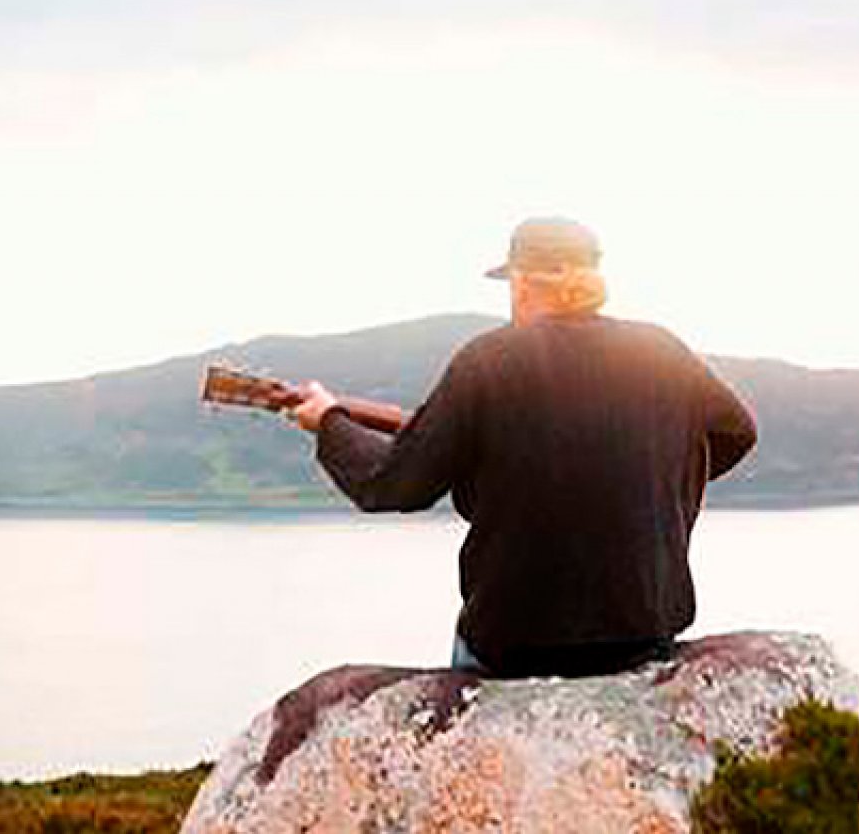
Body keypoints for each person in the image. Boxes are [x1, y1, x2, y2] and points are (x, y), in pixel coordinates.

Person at [285, 217, 757, 678]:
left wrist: (328, 422)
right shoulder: (662, 350)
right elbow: (738, 432)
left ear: (523, 283)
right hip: (644, 633)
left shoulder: (489, 360)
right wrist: (650, 481)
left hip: (516, 644)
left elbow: (392, 484)